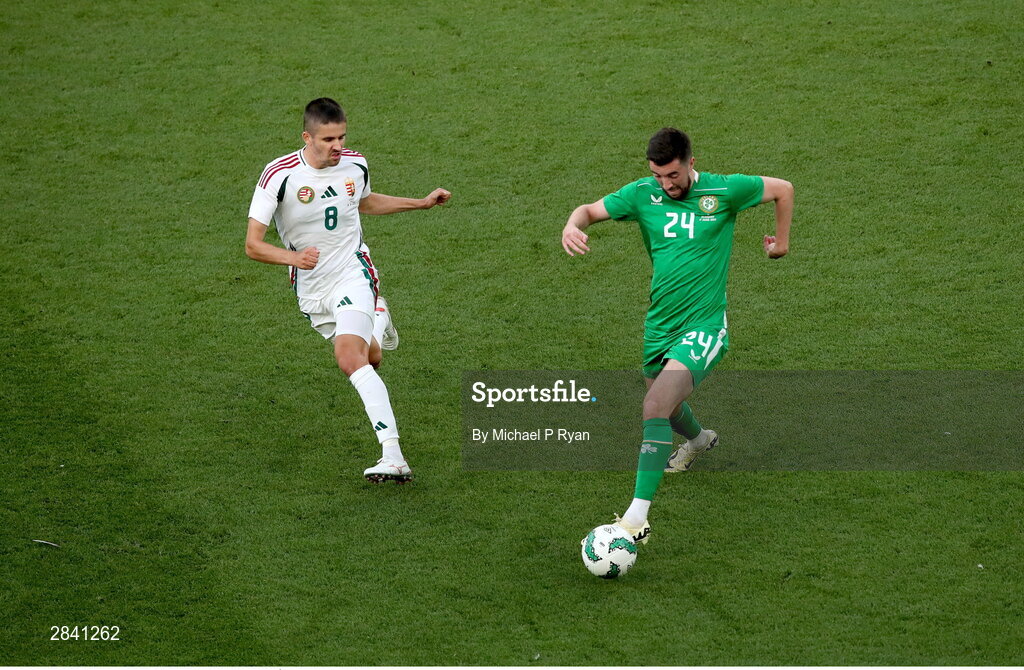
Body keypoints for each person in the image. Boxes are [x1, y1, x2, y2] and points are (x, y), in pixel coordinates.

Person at [561, 127, 793, 544]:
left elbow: (783, 188)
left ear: (691, 162)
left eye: (673, 175)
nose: (666, 185)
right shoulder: (642, 194)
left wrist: (781, 245)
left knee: (653, 404)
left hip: (704, 325)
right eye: (658, 176)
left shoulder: (725, 191)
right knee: (666, 409)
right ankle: (700, 441)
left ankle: (634, 520)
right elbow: (588, 210)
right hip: (660, 325)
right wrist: (572, 226)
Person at [246, 97, 451, 483]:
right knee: (369, 358)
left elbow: (366, 203)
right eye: (327, 139)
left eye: (341, 136)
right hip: (311, 288)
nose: (337, 146)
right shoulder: (279, 175)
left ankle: (393, 455)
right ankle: (380, 317)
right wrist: (294, 260)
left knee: (347, 358)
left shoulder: (355, 164)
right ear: (307, 137)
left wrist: (420, 204)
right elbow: (252, 245)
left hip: (352, 272)